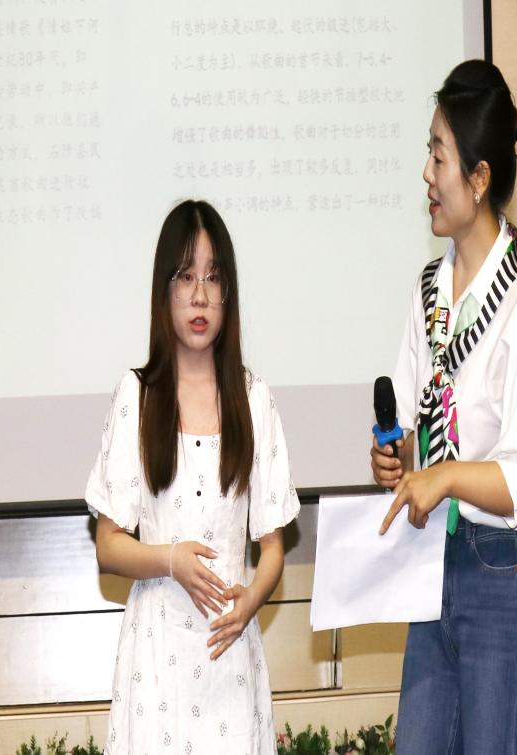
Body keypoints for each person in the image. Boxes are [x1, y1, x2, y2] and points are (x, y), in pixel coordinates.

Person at [371, 60, 517, 754]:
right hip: (431, 566)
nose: (426, 174)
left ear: (479, 178)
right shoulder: (430, 290)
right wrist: (396, 457)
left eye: (439, 156)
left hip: (496, 571)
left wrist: (446, 477)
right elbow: (411, 428)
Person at [85, 199, 300, 754]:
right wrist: (171, 560)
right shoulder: (137, 396)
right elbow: (108, 546)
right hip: (154, 663)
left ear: (228, 293)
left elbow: (272, 546)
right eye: (185, 276)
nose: (200, 295)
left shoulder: (253, 398)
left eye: (213, 277)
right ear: (165, 291)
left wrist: (251, 600)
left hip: (228, 653)